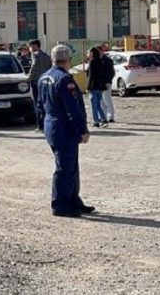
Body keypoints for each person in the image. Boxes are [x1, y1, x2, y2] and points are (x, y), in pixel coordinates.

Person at [38, 44, 94, 218]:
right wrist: (82, 130)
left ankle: (73, 200)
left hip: (51, 126)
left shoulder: (44, 77)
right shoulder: (64, 79)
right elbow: (73, 108)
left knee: (71, 166)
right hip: (64, 128)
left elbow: (39, 105)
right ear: (68, 60)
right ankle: (61, 204)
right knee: (64, 167)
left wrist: (42, 125)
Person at [27, 39, 52, 131]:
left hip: (36, 82)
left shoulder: (35, 55)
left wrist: (28, 78)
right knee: (46, 103)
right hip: (46, 82)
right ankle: (46, 124)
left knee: (38, 104)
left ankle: (40, 125)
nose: (30, 49)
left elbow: (33, 67)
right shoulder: (46, 56)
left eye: (30, 46)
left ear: (35, 46)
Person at [86, 47, 108, 128]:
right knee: (98, 105)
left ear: (92, 53)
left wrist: (88, 87)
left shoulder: (92, 62)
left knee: (94, 106)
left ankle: (96, 121)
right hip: (100, 87)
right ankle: (104, 119)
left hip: (93, 87)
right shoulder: (101, 62)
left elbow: (91, 76)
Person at [100, 48, 116, 123]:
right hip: (98, 83)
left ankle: (111, 116)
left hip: (106, 83)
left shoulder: (107, 60)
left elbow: (112, 72)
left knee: (107, 99)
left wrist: (108, 81)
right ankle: (103, 116)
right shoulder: (96, 60)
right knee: (101, 100)